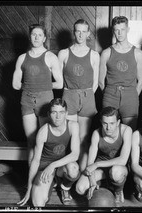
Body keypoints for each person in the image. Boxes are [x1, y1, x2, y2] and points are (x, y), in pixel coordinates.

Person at [12, 24, 63, 165]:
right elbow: (16, 85)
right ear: (30, 37)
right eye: (34, 34)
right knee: (31, 140)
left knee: (45, 139)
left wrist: (42, 86)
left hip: (45, 100)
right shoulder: (22, 58)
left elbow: (59, 83)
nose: (36, 37)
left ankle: (47, 176)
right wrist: (30, 86)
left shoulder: (51, 57)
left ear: (44, 38)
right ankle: (32, 178)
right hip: (27, 100)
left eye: (39, 35)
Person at [17, 98, 80, 207]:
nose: (58, 116)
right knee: (37, 203)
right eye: (54, 112)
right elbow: (35, 161)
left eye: (61, 112)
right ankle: (53, 181)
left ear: (66, 113)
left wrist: (53, 165)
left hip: (62, 166)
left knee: (73, 169)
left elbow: (75, 154)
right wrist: (29, 189)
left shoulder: (73, 126)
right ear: (49, 114)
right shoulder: (43, 132)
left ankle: (65, 188)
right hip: (45, 168)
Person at [58, 19, 100, 172]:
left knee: (83, 139)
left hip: (87, 96)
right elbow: (59, 80)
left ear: (88, 34)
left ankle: (81, 173)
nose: (81, 34)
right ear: (74, 32)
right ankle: (66, 172)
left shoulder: (94, 55)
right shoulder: (63, 53)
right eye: (78, 31)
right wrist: (71, 94)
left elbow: (95, 83)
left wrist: (85, 96)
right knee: (68, 137)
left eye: (84, 31)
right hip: (69, 96)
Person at [75, 106, 132, 205]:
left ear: (118, 122)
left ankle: (118, 190)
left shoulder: (126, 131)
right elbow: (90, 164)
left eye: (112, 123)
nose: (108, 127)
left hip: (118, 167)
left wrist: (97, 165)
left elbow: (123, 160)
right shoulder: (96, 133)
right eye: (105, 123)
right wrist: (92, 182)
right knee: (80, 188)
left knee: (116, 172)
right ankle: (102, 184)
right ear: (101, 122)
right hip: (102, 170)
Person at [99, 16, 142, 131]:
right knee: (109, 130)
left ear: (127, 29)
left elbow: (141, 81)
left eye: (122, 29)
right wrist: (110, 93)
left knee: (129, 131)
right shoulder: (106, 53)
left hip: (130, 95)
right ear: (113, 31)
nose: (119, 33)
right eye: (116, 30)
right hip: (110, 94)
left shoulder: (137, 53)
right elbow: (100, 81)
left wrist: (132, 95)